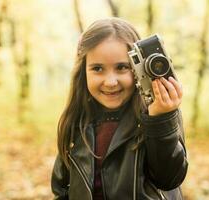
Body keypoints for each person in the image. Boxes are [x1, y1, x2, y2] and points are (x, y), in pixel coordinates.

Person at [51, 17, 188, 200]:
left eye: (122, 67)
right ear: (83, 72)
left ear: (138, 69)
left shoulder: (157, 117)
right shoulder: (76, 121)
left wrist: (159, 121)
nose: (110, 82)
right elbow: (62, 190)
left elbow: (169, 179)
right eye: (98, 68)